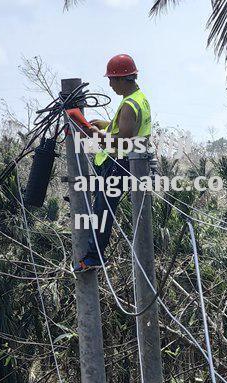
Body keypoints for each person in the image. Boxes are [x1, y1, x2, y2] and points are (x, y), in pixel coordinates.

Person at [74, 54, 151, 271]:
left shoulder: (128, 105)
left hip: (120, 163)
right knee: (101, 207)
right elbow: (130, 128)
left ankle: (94, 257)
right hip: (129, 163)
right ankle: (94, 254)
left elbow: (123, 143)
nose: (109, 84)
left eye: (112, 79)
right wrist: (106, 125)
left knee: (103, 210)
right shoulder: (139, 99)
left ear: (122, 79)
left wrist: (95, 134)